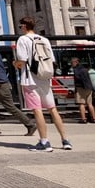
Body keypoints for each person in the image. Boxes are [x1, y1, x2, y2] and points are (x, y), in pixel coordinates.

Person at [15, 16, 72, 152]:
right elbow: (52, 60)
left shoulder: (23, 39)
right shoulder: (44, 40)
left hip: (30, 80)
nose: (20, 29)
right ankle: (65, 140)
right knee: (52, 109)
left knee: (37, 110)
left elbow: (22, 60)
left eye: (21, 26)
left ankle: (44, 141)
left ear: (24, 26)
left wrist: (15, 64)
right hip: (45, 78)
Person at [71, 58, 95, 123]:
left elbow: (77, 78)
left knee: (81, 103)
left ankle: (83, 119)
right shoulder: (85, 69)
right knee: (90, 104)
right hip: (89, 88)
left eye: (72, 62)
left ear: (76, 62)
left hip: (81, 88)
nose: (71, 64)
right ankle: (94, 119)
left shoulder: (76, 69)